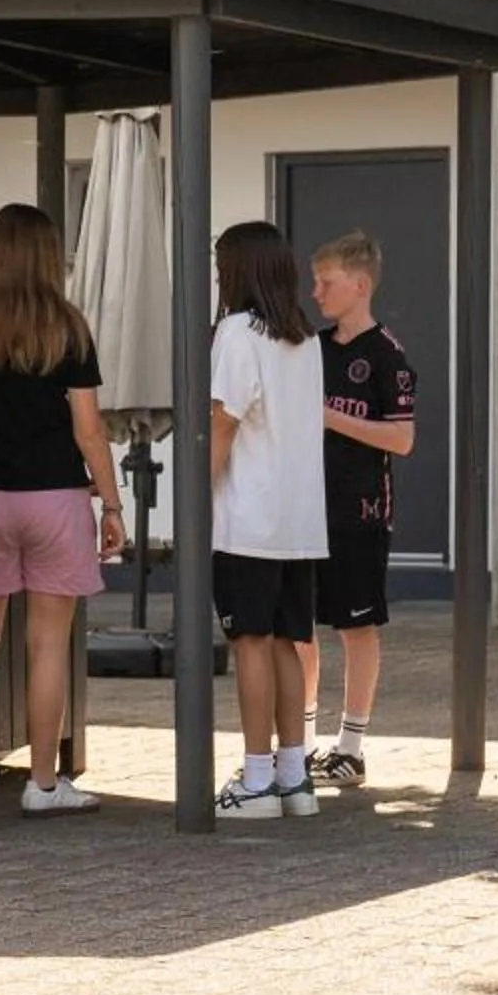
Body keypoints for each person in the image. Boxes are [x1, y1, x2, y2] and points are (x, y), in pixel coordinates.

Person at [0, 204, 125, 817]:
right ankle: (42, 785)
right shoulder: (69, 329)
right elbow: (90, 431)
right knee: (47, 646)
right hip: (57, 499)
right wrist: (112, 503)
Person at [208, 220, 329, 822]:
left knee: (248, 642)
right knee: (287, 641)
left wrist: (197, 492)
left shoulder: (236, 332)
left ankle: (255, 778)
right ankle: (291, 775)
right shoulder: (304, 337)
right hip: (299, 520)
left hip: (247, 518)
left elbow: (225, 421)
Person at [300, 231, 415, 791]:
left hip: (360, 513)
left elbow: (401, 439)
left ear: (360, 285)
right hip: (303, 510)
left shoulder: (387, 357)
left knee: (356, 627)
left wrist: (330, 418)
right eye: (315, 281)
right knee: (300, 628)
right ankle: (299, 744)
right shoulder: (310, 348)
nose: (316, 292)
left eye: (327, 282)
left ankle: (350, 747)